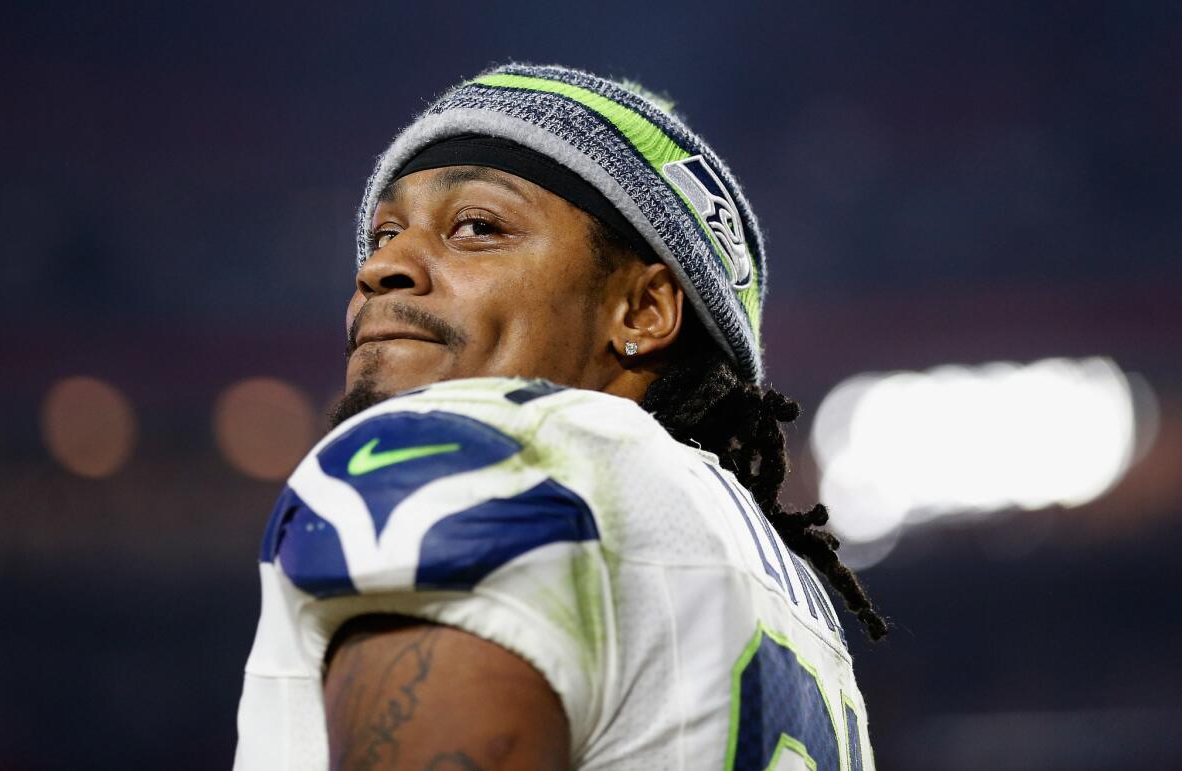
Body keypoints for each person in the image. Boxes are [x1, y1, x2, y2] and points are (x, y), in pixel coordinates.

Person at [234, 63, 886, 771]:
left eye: (477, 227)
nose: (384, 266)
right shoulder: (792, 596)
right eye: (385, 232)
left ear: (643, 310)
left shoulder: (479, 462)